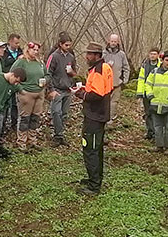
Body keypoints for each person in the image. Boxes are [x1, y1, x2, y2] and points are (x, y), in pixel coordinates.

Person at [73, 42, 113, 194]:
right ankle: (94, 178)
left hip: (95, 114)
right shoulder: (105, 67)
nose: (86, 57)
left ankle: (94, 185)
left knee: (90, 149)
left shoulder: (97, 70)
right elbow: (104, 88)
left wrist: (81, 94)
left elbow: (96, 94)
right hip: (101, 113)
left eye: (89, 54)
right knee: (96, 148)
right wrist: (85, 88)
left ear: (97, 56)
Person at [9, 41, 48, 151]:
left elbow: (47, 74)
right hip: (26, 93)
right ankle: (21, 141)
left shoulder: (40, 62)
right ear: (28, 50)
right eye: (33, 50)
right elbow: (11, 76)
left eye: (37, 50)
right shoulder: (21, 62)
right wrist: (20, 89)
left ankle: (32, 140)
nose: (35, 52)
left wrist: (46, 80)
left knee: (35, 117)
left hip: (39, 92)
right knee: (25, 118)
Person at [45, 32, 76, 146]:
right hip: (57, 89)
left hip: (67, 89)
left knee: (64, 114)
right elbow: (48, 73)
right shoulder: (53, 56)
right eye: (66, 45)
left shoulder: (71, 56)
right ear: (60, 44)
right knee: (56, 112)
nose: (68, 47)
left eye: (69, 45)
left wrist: (71, 74)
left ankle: (60, 135)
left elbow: (74, 73)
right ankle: (57, 135)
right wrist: (51, 89)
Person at [103, 33, 130, 125]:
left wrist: (125, 80)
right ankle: (104, 117)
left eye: (115, 41)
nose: (113, 43)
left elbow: (126, 67)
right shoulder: (103, 53)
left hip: (117, 82)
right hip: (104, 83)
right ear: (108, 41)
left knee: (114, 102)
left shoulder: (122, 54)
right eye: (112, 41)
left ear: (118, 42)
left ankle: (111, 118)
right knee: (104, 101)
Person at [136, 47, 162, 140]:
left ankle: (157, 133)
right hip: (146, 93)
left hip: (157, 94)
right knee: (148, 113)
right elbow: (141, 79)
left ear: (158, 55)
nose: (152, 56)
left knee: (156, 113)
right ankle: (150, 131)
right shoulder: (145, 65)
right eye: (151, 54)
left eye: (154, 54)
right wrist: (140, 93)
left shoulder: (161, 65)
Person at [1, 33, 22, 137]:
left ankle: (14, 125)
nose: (17, 45)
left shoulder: (21, 52)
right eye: (15, 43)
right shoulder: (4, 53)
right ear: (9, 41)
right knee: (5, 104)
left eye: (18, 43)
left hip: (16, 82)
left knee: (15, 104)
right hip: (6, 81)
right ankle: (3, 125)